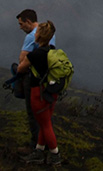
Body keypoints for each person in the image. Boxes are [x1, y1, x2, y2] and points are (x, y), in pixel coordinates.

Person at [18, 21, 61, 166]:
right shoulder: (53, 52)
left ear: (39, 36)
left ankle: (55, 156)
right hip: (51, 92)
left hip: (38, 93)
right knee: (45, 122)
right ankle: (39, 151)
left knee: (45, 124)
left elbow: (20, 68)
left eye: (36, 32)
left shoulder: (35, 55)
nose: (34, 33)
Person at [15, 9, 57, 146]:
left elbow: (22, 61)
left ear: (28, 21)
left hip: (33, 80)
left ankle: (36, 146)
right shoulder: (50, 34)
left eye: (21, 24)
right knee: (45, 117)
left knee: (33, 113)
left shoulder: (31, 38)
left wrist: (19, 69)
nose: (20, 27)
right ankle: (45, 146)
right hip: (48, 79)